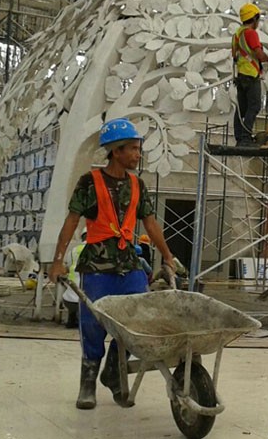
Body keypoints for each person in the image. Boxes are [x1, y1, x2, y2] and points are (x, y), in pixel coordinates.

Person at [48, 117, 177, 410]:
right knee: (93, 325)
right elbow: (71, 222)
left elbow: (150, 223)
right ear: (116, 151)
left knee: (134, 324)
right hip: (97, 267)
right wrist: (58, 262)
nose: (137, 154)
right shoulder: (89, 183)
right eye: (132, 148)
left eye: (138, 148)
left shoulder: (137, 185)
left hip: (130, 264)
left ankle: (114, 373)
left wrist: (167, 255)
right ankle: (88, 381)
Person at [232, 3, 268, 147]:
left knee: (242, 109)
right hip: (251, 76)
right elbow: (259, 54)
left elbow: (235, 54)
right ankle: (245, 137)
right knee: (255, 106)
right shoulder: (251, 33)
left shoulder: (237, 34)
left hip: (240, 76)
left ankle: (240, 138)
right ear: (255, 18)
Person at [60, 230, 87, 328]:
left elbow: (67, 267)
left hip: (68, 299)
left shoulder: (73, 251)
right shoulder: (97, 249)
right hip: (86, 300)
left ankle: (72, 320)